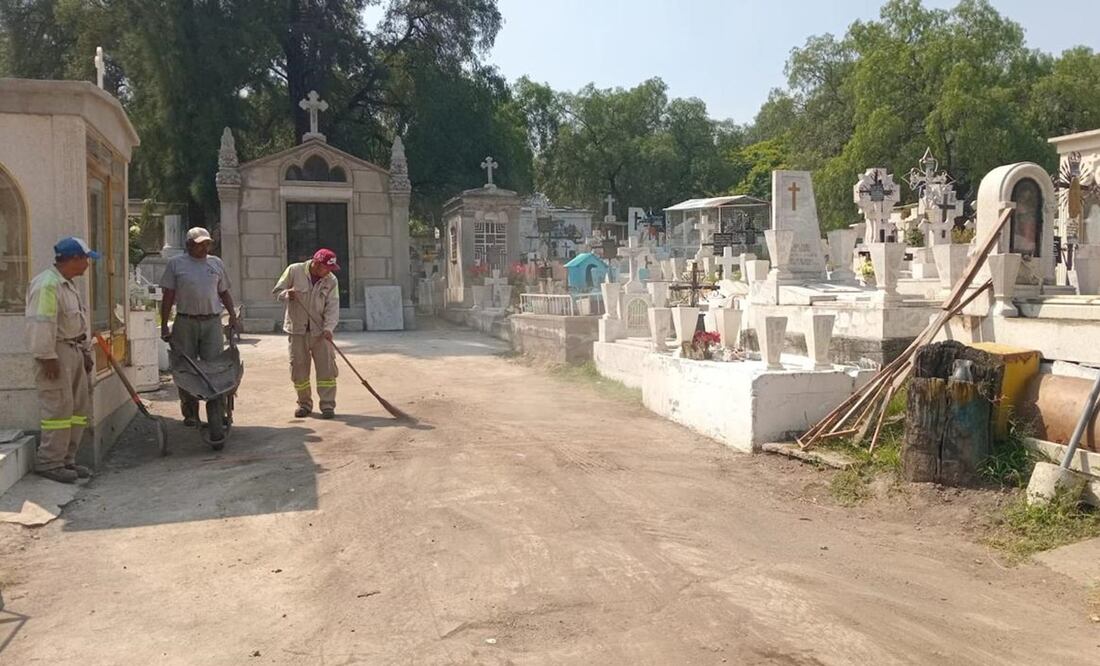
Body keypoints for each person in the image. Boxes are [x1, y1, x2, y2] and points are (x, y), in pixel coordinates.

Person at [25, 237, 98, 484]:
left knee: (77, 409)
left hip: (74, 350)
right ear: (74, 259)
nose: (88, 264)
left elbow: (77, 322)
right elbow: (41, 322)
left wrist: (86, 353)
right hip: (56, 354)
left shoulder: (67, 284)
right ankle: (49, 461)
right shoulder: (47, 285)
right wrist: (46, 357)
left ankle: (67, 459)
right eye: (86, 259)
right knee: (57, 408)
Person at [159, 227, 240, 447]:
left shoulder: (216, 263)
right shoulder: (176, 264)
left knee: (215, 368)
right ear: (189, 245)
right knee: (186, 368)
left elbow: (224, 292)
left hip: (212, 322)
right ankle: (190, 412)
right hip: (185, 322)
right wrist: (165, 325)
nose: (205, 247)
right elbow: (168, 296)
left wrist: (232, 315)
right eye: (200, 244)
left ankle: (218, 410)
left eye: (207, 244)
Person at [273, 248, 341, 419]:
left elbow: (333, 307)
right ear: (316, 263)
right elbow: (277, 292)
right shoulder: (293, 270)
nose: (328, 272)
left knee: (327, 370)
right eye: (326, 268)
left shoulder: (331, 280)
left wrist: (329, 328)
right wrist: (287, 294)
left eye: (331, 269)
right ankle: (304, 404)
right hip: (297, 331)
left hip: (320, 333)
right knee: (299, 370)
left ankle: (327, 405)